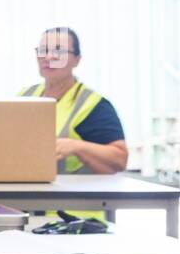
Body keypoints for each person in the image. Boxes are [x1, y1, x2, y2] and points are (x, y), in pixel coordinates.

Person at [20, 26, 127, 174]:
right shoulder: (24, 96)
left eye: (59, 51)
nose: (49, 57)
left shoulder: (92, 105)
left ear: (77, 60)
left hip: (71, 194)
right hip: (25, 188)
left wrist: (76, 147)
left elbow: (120, 159)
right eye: (43, 50)